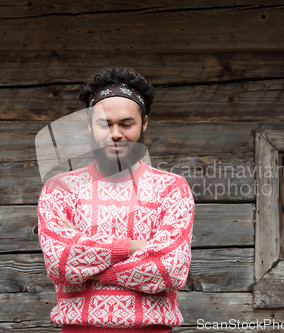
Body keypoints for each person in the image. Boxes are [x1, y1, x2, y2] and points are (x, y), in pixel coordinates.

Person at [37, 67, 195, 333]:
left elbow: (171, 268)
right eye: (104, 124)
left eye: (126, 123)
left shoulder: (171, 188)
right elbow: (60, 262)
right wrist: (133, 247)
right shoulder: (61, 189)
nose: (115, 134)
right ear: (89, 124)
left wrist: (92, 269)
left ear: (144, 123)